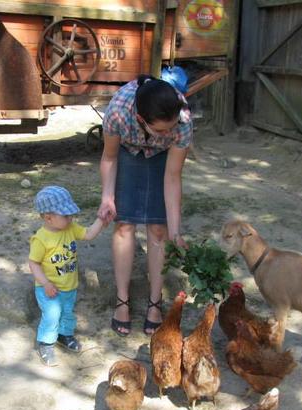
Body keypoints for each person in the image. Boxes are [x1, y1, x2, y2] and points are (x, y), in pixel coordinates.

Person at [97, 75, 192, 337]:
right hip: (127, 151)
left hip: (161, 155)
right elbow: (109, 157)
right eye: (161, 130)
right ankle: (122, 300)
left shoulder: (182, 122)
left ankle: (155, 302)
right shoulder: (118, 113)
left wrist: (176, 231)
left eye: (171, 127)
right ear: (141, 119)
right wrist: (107, 197)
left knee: (159, 229)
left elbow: (172, 177)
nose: (169, 133)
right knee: (124, 225)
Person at [28, 185, 106, 366]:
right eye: (66, 215)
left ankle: (64, 335)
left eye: (71, 214)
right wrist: (45, 283)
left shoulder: (70, 228)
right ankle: (46, 343)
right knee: (52, 314)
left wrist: (101, 220)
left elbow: (88, 234)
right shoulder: (41, 239)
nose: (71, 218)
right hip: (49, 288)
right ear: (48, 217)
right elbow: (33, 263)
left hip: (69, 285)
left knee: (67, 312)